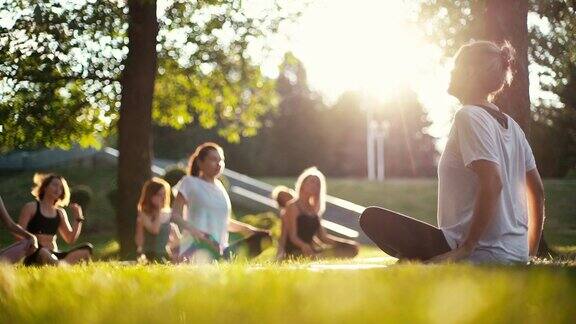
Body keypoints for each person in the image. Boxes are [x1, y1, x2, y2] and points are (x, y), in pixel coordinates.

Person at [360, 40, 545, 264]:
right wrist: (529, 253)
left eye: (455, 66)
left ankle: (430, 260)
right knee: (402, 248)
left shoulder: (469, 116)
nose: (450, 72)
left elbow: (493, 181)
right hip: (513, 255)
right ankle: (414, 261)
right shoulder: (514, 127)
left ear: (469, 72)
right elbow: (537, 190)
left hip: (479, 253)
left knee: (371, 218)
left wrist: (466, 248)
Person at [171, 142, 271, 262]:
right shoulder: (189, 182)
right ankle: (213, 259)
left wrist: (250, 230)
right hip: (196, 246)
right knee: (209, 250)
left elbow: (225, 222)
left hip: (221, 249)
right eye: (213, 159)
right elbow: (175, 215)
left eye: (221, 160)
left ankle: (224, 259)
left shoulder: (220, 187)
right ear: (200, 162)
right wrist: (200, 234)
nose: (218, 164)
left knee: (264, 238)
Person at [282, 167, 358, 259]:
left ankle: (319, 256)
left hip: (312, 249)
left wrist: (345, 243)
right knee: (322, 254)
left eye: (318, 184)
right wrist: (304, 246)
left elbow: (323, 237)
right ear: (303, 185)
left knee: (351, 249)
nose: (315, 186)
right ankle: (317, 257)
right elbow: (293, 236)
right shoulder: (293, 206)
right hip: (297, 250)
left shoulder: (314, 209)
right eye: (312, 182)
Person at [18, 174, 93, 265]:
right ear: (45, 187)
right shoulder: (31, 207)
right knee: (43, 252)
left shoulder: (60, 213)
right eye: (55, 185)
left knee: (87, 249)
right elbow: (19, 233)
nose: (58, 189)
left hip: (55, 253)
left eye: (61, 187)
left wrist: (78, 218)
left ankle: (60, 264)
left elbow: (70, 239)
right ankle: (62, 264)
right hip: (36, 254)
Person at [135, 177, 181, 263]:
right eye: (159, 195)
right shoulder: (143, 214)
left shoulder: (168, 213)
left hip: (165, 254)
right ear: (151, 195)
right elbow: (154, 230)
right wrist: (158, 212)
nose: (163, 198)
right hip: (150, 255)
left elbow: (177, 240)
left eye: (164, 194)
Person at [0, 195, 56, 264]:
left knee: (28, 242)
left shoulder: (59, 212)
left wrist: (31, 237)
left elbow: (10, 224)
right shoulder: (30, 207)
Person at [271, 186, 295, 260]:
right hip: (293, 245)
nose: (286, 198)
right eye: (282, 197)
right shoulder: (285, 213)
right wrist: (280, 251)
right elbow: (284, 235)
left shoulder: (301, 208)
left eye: (286, 195)